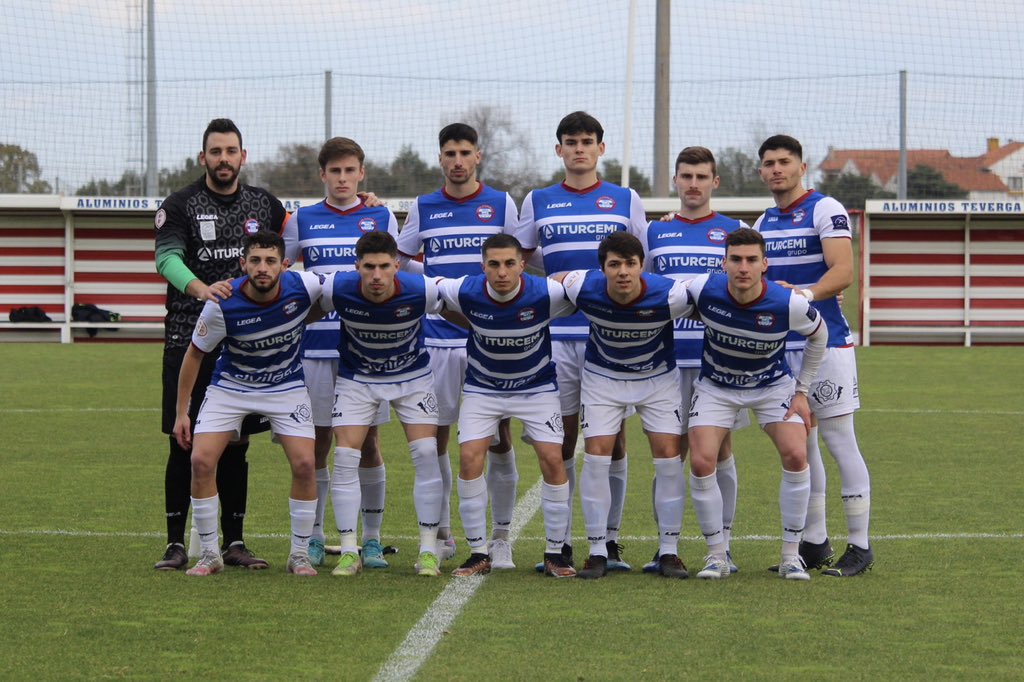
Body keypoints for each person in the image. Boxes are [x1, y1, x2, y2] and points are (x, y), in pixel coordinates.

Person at [514, 111, 648, 571]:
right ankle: (564, 540)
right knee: (562, 438)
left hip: (611, 336)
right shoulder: (538, 199)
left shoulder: (625, 199)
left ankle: (609, 540)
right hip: (555, 337)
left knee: (615, 439)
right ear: (558, 149)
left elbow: (641, 265)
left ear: (600, 148)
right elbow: (517, 261)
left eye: (587, 141)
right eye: (570, 142)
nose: (578, 149)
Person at [153, 118, 287, 571]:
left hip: (245, 347)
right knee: (182, 438)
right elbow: (166, 258)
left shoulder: (265, 204)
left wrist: (361, 202)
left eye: (232, 151)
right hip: (188, 336)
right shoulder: (181, 205)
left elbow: (298, 241)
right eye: (216, 151)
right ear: (203, 157)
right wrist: (200, 289)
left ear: (243, 156)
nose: (224, 159)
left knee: (236, 443)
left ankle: (234, 542)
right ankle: (175, 543)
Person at [396, 123, 520, 569]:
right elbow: (398, 256)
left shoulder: (502, 203)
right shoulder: (424, 207)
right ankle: (444, 533)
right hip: (439, 338)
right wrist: (432, 285)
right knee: (439, 436)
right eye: (449, 153)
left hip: (490, 337)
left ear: (478, 156)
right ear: (440, 158)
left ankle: (502, 536)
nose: (457, 161)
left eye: (465, 152)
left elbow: (518, 255)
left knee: (499, 436)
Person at [753, 134, 874, 577]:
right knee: (801, 447)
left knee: (841, 442)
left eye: (785, 161)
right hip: (779, 352)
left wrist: (801, 295)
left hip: (827, 346)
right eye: (769, 163)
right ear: (762, 171)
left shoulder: (825, 208)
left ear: (802, 167)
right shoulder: (764, 221)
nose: (777, 169)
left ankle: (860, 546)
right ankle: (815, 542)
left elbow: (843, 271)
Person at [172, 231, 322, 577]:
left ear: (285, 264)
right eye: (255, 260)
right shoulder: (222, 301)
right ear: (243, 264)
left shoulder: (305, 286)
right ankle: (210, 554)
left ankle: (299, 554)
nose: (262, 268)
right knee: (201, 460)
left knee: (304, 464)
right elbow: (194, 355)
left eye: (270, 260)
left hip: (285, 387)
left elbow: (344, 287)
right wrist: (182, 412)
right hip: (232, 387)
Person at [685, 227, 828, 580]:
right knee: (702, 460)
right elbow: (659, 299)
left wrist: (801, 390)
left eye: (751, 260)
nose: (743, 267)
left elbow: (819, 334)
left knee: (797, 454)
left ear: (765, 264)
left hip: (771, 386)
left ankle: (791, 556)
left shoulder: (788, 304)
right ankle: (717, 555)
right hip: (716, 386)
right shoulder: (702, 290)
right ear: (724, 263)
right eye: (736, 260)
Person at [283, 137, 397, 569]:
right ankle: (313, 537)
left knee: (368, 443)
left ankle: (370, 538)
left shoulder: (380, 214)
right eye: (335, 171)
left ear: (362, 173)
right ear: (323, 175)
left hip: (366, 350)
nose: (344, 178)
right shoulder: (303, 219)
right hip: (313, 350)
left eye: (351, 171)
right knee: (316, 444)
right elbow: (280, 270)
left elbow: (398, 270)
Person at [436, 234, 576, 578]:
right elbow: (431, 294)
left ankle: (556, 554)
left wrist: (571, 279)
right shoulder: (465, 291)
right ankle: (478, 552)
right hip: (483, 388)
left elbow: (587, 295)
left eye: (509, 263)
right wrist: (478, 323)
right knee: (470, 457)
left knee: (553, 458)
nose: (501, 272)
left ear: (522, 265)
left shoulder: (547, 293)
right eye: (494, 264)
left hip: (536, 387)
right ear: (482, 266)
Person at [638, 146, 749, 574]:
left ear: (715, 182)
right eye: (686, 176)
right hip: (663, 360)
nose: (694, 184)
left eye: (702, 176)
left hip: (717, 361)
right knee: (670, 454)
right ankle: (666, 545)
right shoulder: (654, 233)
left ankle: (723, 544)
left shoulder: (736, 230)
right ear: (676, 181)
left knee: (718, 450)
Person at [557, 232, 693, 580]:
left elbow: (714, 292)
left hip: (658, 380)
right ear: (601, 268)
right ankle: (598, 550)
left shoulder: (671, 294)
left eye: (630, 264)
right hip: (603, 379)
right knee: (598, 455)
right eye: (614, 264)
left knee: (668, 457)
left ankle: (669, 551)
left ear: (641, 266)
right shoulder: (581, 286)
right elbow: (552, 283)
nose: (622, 272)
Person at [319, 231, 444, 577]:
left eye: (385, 267)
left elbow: (465, 309)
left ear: (397, 265)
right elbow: (303, 305)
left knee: (426, 453)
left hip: (412, 379)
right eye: (369, 267)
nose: (376, 275)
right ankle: (349, 551)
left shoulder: (423, 290)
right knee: (345, 457)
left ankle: (428, 550)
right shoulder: (337, 288)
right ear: (356, 266)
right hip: (357, 379)